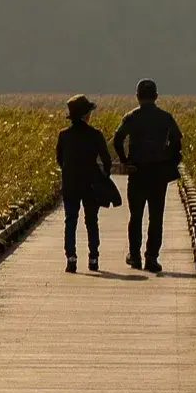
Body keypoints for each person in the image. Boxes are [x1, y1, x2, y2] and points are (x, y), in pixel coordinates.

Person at [113, 79, 183, 274]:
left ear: (137, 96)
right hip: (158, 174)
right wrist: (166, 157)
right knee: (156, 216)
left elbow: (117, 139)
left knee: (136, 216)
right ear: (156, 97)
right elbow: (177, 143)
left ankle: (134, 256)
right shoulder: (165, 118)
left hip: (137, 172)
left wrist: (125, 160)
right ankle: (151, 257)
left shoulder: (131, 117)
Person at [56, 94, 113, 274]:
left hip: (71, 183)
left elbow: (60, 159)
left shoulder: (64, 135)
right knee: (91, 221)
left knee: (70, 221)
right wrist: (103, 175)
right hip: (90, 183)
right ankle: (93, 257)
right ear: (86, 115)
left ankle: (71, 259)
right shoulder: (95, 135)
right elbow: (106, 160)